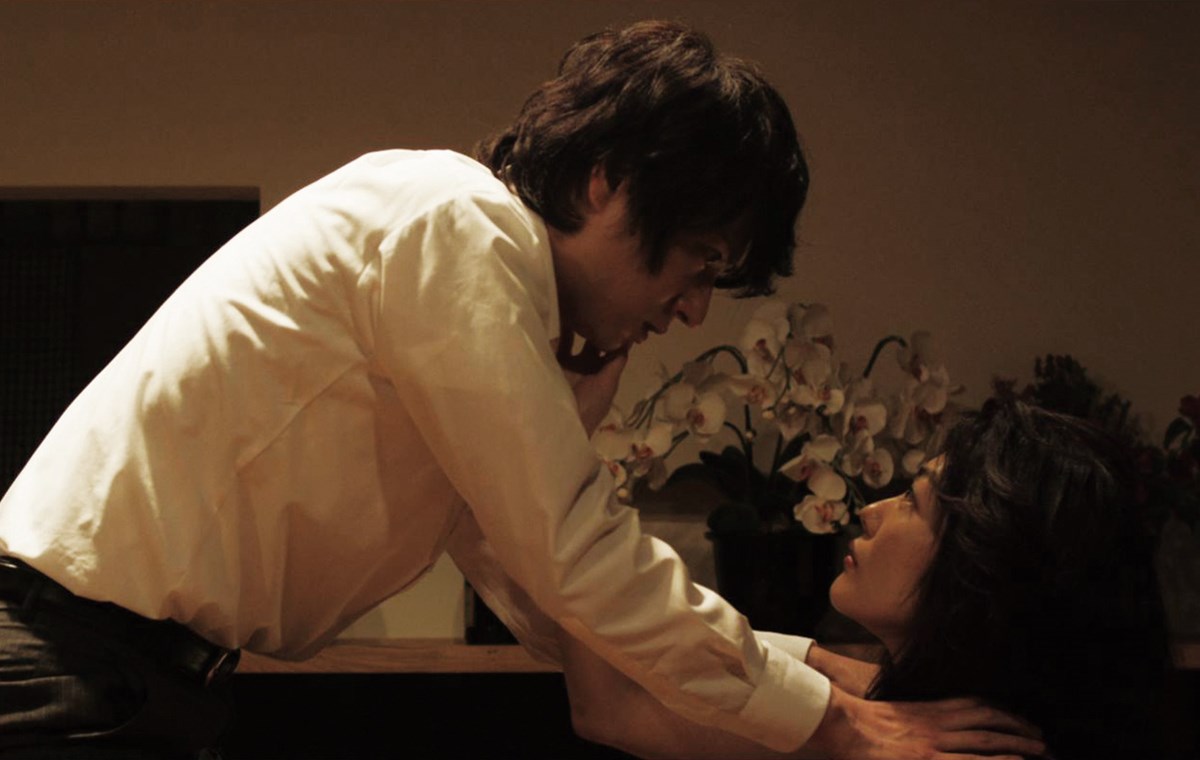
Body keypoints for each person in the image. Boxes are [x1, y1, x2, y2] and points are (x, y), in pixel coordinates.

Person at [0, 19, 1039, 759]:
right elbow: (574, 552)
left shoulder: (482, 296)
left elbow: (556, 609)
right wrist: (838, 725)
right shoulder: (455, 226)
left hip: (127, 674)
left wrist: (812, 663)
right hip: (66, 659)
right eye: (700, 259)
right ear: (606, 180)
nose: (693, 310)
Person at [562, 397, 1170, 759]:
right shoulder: (910, 719)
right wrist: (827, 665)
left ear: (977, 573)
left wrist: (560, 423)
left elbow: (611, 700)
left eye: (912, 501)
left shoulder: (937, 747)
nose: (873, 511)